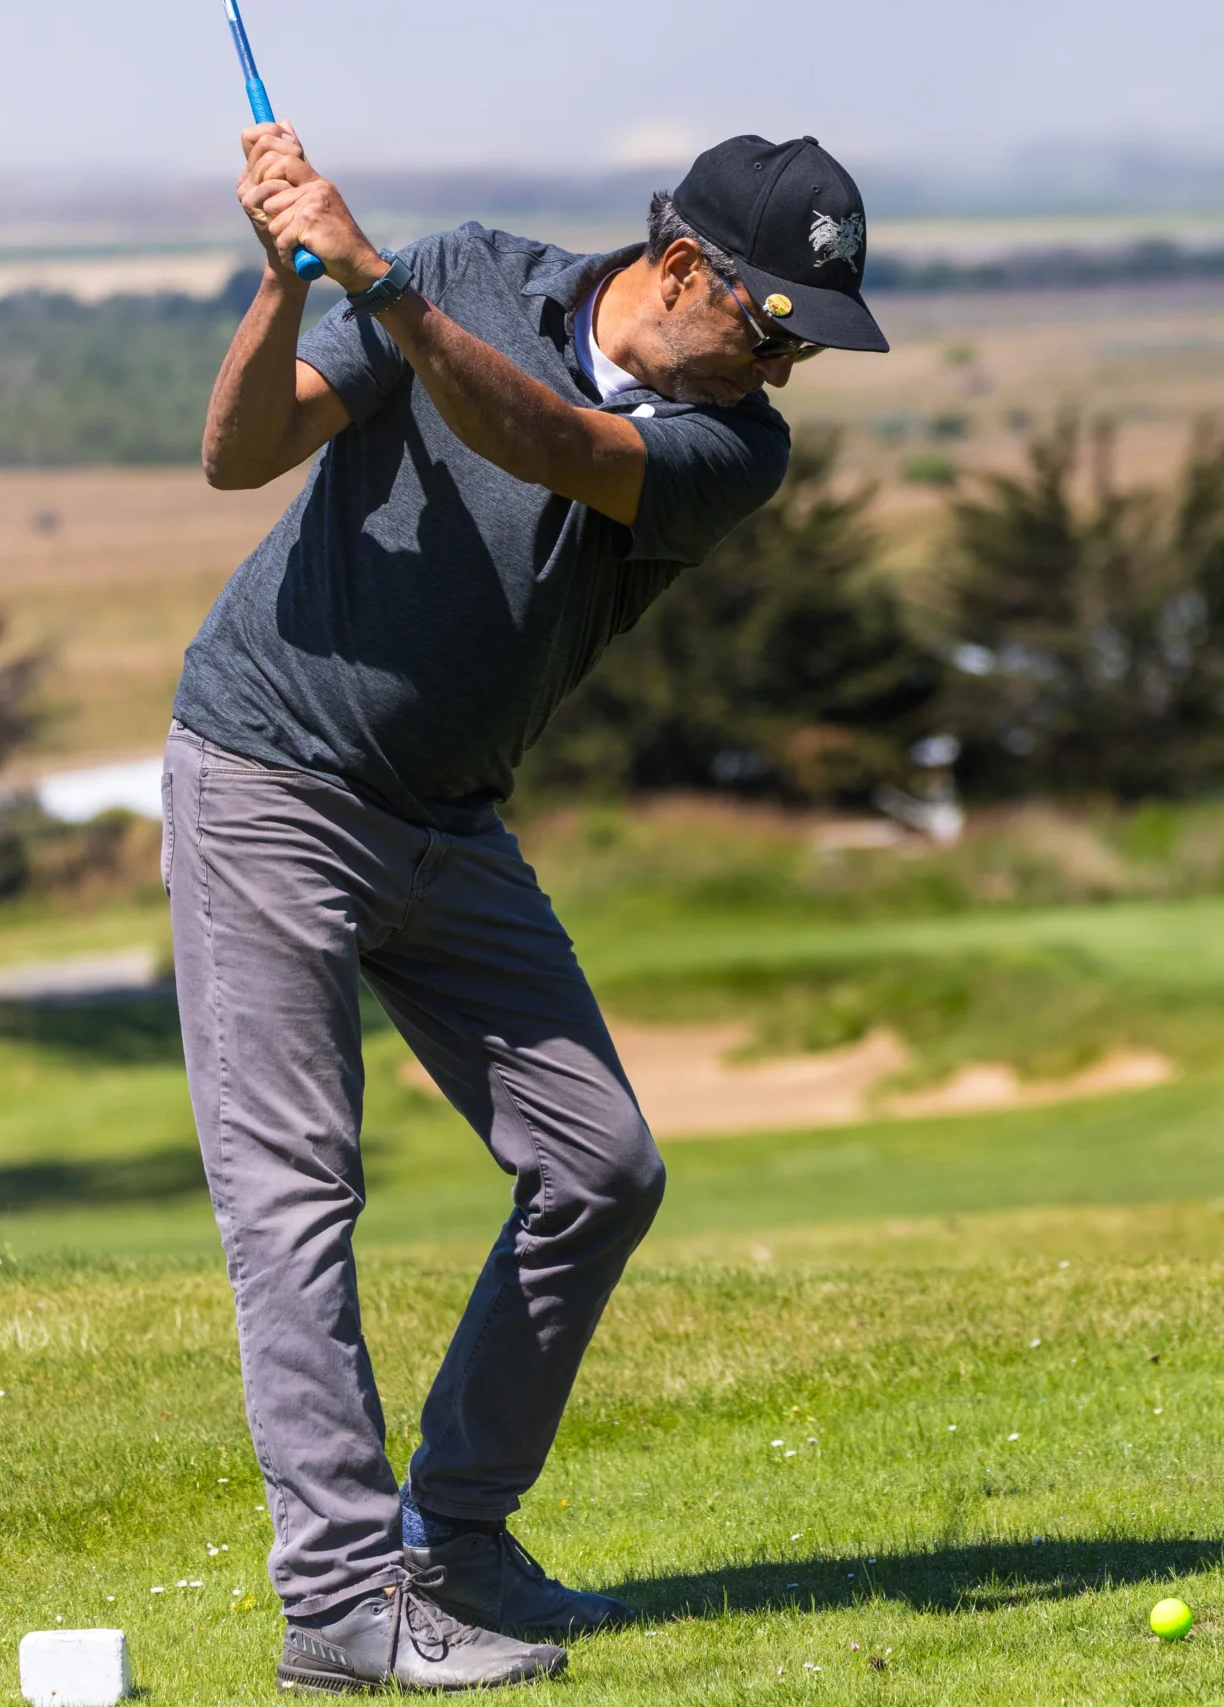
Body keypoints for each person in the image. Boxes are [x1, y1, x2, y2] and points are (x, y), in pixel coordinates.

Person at [166, 122, 888, 1693]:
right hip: (265, 781)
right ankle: (343, 1609)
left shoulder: (732, 454)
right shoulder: (467, 277)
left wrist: (374, 281)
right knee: (296, 1201)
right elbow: (237, 454)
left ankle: (461, 1539)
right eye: (776, 329)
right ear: (684, 265)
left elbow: (552, 447)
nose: (785, 374)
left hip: (446, 820)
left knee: (600, 1164)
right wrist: (292, 284)